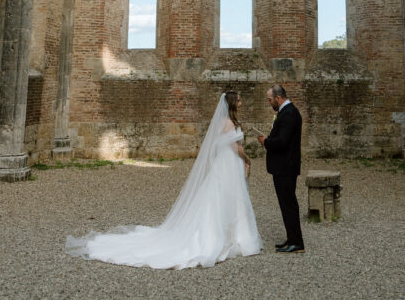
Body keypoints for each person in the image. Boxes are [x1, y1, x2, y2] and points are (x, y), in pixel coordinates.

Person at [66, 92, 262, 269]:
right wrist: (247, 158)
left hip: (224, 164)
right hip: (228, 163)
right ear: (232, 103)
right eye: (239, 100)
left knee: (220, 197)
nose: (241, 103)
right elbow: (235, 148)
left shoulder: (222, 122)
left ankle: (228, 233)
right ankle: (228, 235)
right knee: (227, 197)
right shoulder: (229, 123)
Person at [257, 84, 305, 253]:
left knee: (289, 204)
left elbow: (283, 142)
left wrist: (266, 142)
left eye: (270, 100)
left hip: (285, 167)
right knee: (286, 205)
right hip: (284, 167)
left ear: (278, 98)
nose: (269, 103)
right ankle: (292, 239)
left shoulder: (289, 113)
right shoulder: (287, 112)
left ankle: (297, 243)